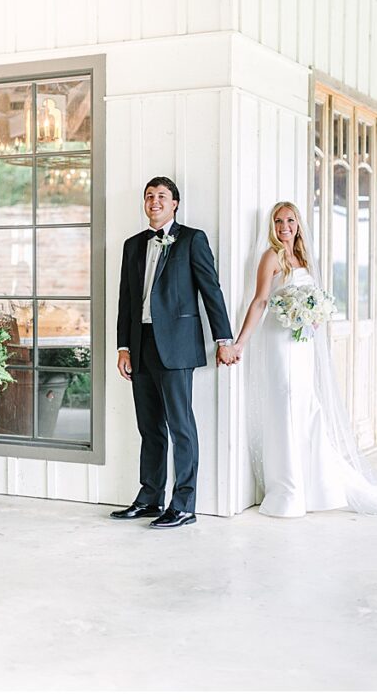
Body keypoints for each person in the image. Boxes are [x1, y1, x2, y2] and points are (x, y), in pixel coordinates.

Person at [227, 201, 377, 517]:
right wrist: (241, 342)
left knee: (306, 404)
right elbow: (260, 302)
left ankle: (315, 487)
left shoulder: (305, 258)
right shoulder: (272, 257)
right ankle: (289, 490)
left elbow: (312, 299)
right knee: (285, 402)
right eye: (279, 221)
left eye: (290, 220)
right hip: (279, 341)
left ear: (298, 224)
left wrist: (311, 316)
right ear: (272, 225)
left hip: (303, 342)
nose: (285, 227)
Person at [110, 177, 235, 529]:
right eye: (149, 196)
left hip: (177, 346)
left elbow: (211, 290)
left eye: (162, 196)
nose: (154, 202)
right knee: (149, 427)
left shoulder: (192, 239)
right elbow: (126, 301)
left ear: (175, 203)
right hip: (140, 345)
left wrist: (224, 339)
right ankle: (150, 497)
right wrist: (123, 347)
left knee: (181, 426)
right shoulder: (133, 245)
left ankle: (183, 504)